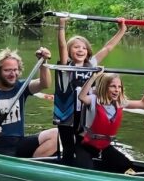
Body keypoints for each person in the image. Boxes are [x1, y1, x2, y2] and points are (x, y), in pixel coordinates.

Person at [53, 16, 127, 165]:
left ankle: (85, 166)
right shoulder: (65, 65)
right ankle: (67, 168)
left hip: (85, 115)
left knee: (84, 144)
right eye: (76, 47)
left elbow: (108, 48)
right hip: (66, 114)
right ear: (69, 51)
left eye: (84, 48)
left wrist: (122, 31)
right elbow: (61, 46)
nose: (81, 50)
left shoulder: (91, 64)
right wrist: (61, 26)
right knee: (68, 147)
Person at [0, 47, 57, 157]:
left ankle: (33, 165)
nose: (12, 74)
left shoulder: (21, 87)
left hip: (18, 143)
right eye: (7, 70)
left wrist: (43, 62)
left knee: (56, 134)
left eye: (15, 70)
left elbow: (45, 84)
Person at [74, 71, 144, 173]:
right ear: (105, 87)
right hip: (85, 146)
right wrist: (93, 77)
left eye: (119, 87)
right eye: (113, 86)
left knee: (128, 168)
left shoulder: (120, 103)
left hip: (104, 147)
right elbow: (81, 97)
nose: (117, 90)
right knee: (87, 171)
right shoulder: (94, 100)